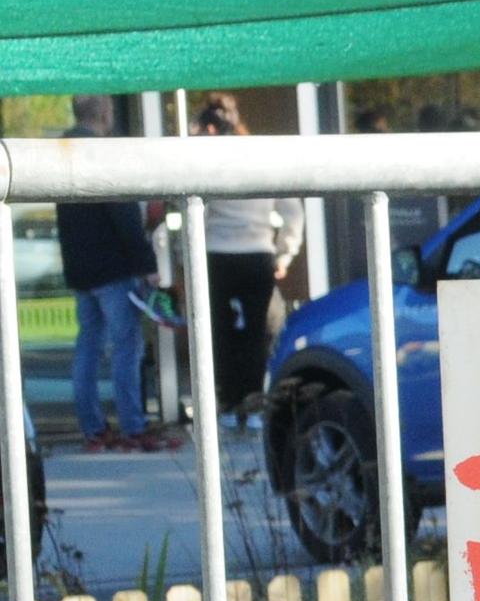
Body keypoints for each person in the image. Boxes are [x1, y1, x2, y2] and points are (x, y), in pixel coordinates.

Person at [54, 95, 167, 455]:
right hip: (114, 269)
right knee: (126, 347)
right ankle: (133, 427)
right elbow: (124, 216)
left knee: (88, 348)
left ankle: (94, 429)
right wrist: (147, 264)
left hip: (81, 270)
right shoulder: (102, 154)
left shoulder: (60, 154)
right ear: (105, 112)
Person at [190, 95, 299, 423]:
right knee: (258, 334)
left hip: (216, 256)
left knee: (218, 333)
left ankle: (226, 403)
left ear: (210, 127)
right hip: (258, 255)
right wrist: (285, 253)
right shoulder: (261, 157)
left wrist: (185, 254)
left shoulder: (205, 162)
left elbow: (198, 213)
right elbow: (292, 210)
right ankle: (253, 404)